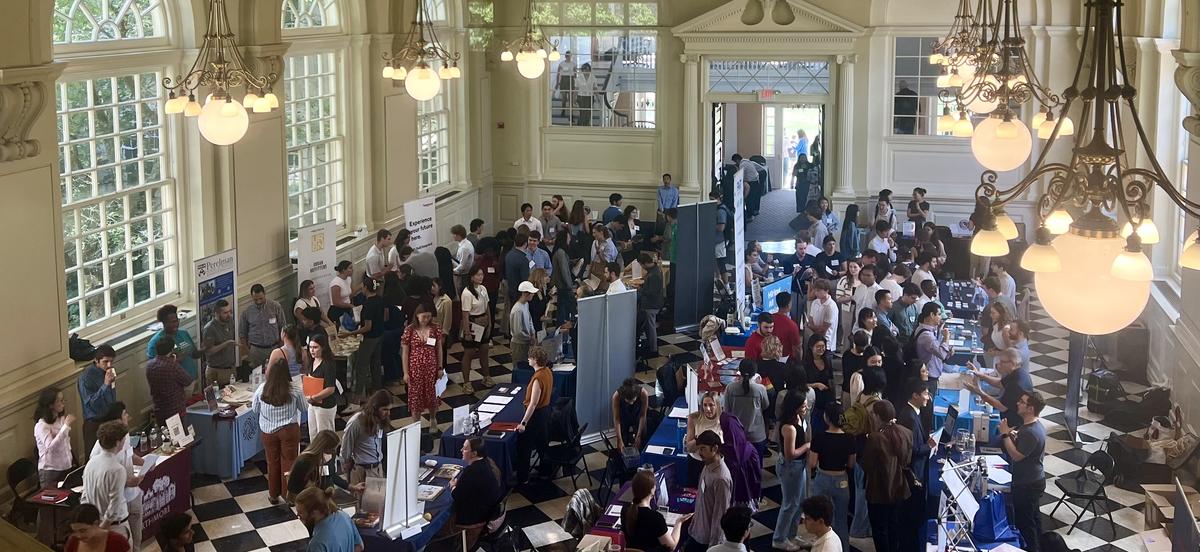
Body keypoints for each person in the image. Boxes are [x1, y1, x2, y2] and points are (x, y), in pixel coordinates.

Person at [430, 436, 505, 550]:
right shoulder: (488, 462)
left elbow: (456, 496)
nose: (461, 450)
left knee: (434, 526)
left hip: (473, 522)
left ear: (474, 453)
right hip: (487, 513)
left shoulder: (471, 472)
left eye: (465, 449)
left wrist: (453, 486)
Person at [860, 400, 912, 552]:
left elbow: (866, 465)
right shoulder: (906, 432)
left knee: (879, 528)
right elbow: (907, 460)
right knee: (893, 524)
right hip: (900, 487)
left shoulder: (875, 438)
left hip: (879, 490)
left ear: (877, 416)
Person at [252, 357, 305, 504]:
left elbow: (255, 409)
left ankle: (273, 495)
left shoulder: (262, 388)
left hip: (268, 431)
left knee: (272, 462)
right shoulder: (294, 389)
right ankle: (289, 496)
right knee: (289, 462)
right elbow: (304, 408)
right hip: (289, 431)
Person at [1001, 391, 1047, 552]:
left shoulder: (1030, 432)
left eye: (1022, 402)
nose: (1018, 403)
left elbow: (1016, 456)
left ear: (1030, 409)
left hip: (1027, 483)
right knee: (1033, 519)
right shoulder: (1030, 427)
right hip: (1032, 480)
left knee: (1025, 523)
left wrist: (1005, 435)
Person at [809, 401, 854, 551]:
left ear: (826, 418)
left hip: (823, 479)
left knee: (821, 521)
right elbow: (851, 464)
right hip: (842, 480)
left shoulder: (819, 437)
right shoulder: (849, 438)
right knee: (841, 521)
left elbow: (813, 463)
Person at [82, 421, 135, 544]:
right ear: (117, 443)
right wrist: (102, 528)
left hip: (95, 522)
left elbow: (85, 495)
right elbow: (114, 506)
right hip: (115, 527)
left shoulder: (91, 463)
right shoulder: (117, 469)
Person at [896, 379, 933, 551]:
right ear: (915, 395)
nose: (928, 397)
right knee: (911, 517)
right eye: (925, 394)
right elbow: (914, 449)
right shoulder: (909, 417)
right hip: (913, 474)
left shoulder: (912, 413)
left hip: (915, 470)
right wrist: (930, 447)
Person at [772, 391, 810, 551]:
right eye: (803, 406)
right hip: (791, 467)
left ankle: (792, 535)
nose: (806, 408)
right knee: (790, 503)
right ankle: (779, 538)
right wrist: (807, 446)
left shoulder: (800, 419)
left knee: (799, 502)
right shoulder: (789, 427)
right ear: (794, 408)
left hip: (799, 465)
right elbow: (790, 455)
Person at [617, 470, 689, 552]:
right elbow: (671, 547)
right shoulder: (655, 518)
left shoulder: (625, 509)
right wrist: (679, 522)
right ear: (652, 490)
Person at [686, 430, 732, 552]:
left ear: (715, 448)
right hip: (697, 529)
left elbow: (720, 514)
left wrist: (714, 546)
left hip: (706, 539)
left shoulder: (721, 479)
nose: (699, 453)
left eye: (703, 449)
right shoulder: (707, 464)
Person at [965, 347, 1034, 428]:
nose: (998, 365)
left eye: (1002, 362)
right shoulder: (1017, 371)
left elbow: (1001, 407)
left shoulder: (1017, 384)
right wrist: (981, 375)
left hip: (1012, 424)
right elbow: (1000, 383)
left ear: (1012, 363)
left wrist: (980, 392)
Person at [516, 347, 555, 483]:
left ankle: (522, 478)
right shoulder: (548, 371)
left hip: (537, 415)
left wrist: (523, 423)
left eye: (530, 357)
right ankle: (545, 471)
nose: (528, 359)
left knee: (524, 447)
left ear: (535, 360)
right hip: (545, 412)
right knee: (542, 444)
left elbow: (533, 404)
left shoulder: (538, 378)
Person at [403, 304, 444, 432]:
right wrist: (405, 372)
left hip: (431, 369)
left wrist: (440, 367)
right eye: (423, 317)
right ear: (417, 315)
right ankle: (416, 425)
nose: (426, 319)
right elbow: (405, 352)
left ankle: (433, 419)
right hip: (415, 370)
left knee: (432, 395)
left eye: (428, 317)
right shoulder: (409, 330)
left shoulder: (435, 328)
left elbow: (439, 349)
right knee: (415, 398)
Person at [34, 388, 75, 507]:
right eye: (60, 401)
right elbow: (51, 447)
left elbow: (65, 444)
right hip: (51, 471)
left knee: (65, 503)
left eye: (63, 400)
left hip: (65, 467)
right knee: (49, 508)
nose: (63, 403)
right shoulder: (41, 426)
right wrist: (66, 427)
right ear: (51, 405)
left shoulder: (60, 419)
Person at [345, 276, 384, 400]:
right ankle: (377, 390)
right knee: (376, 363)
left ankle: (357, 397)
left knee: (360, 366)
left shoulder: (367, 305)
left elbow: (367, 327)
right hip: (380, 335)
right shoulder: (379, 299)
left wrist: (351, 333)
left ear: (366, 288)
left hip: (369, 338)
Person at [341, 390, 391, 486]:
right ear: (375, 408)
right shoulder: (356, 422)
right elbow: (346, 445)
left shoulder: (380, 420)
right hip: (362, 472)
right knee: (362, 500)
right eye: (384, 409)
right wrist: (346, 467)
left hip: (378, 468)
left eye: (389, 409)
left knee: (380, 500)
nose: (388, 413)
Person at [724, 360, 769, 461]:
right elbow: (766, 406)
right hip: (757, 435)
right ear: (755, 373)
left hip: (736, 434)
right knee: (756, 466)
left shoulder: (730, 388)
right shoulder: (760, 389)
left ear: (740, 371)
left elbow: (727, 410)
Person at [295, 486, 364, 552]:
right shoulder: (343, 515)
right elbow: (359, 546)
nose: (297, 515)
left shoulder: (317, 543)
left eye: (300, 512)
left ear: (314, 512)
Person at [146, 305, 201, 384]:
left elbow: (194, 354)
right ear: (164, 323)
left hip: (192, 380)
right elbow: (154, 369)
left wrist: (204, 349)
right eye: (172, 322)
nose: (176, 324)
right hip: (174, 386)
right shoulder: (156, 342)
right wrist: (177, 360)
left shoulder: (183, 333)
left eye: (176, 321)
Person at [146, 336, 194, 424]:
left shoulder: (149, 365)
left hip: (159, 408)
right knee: (180, 435)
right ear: (172, 350)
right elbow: (188, 380)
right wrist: (175, 361)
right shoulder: (171, 365)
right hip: (175, 409)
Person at [460, 266, 494, 391]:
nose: (481, 277)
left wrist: (490, 323)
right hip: (473, 323)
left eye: (482, 274)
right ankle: (466, 382)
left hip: (484, 322)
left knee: (484, 351)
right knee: (469, 353)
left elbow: (487, 307)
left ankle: (486, 376)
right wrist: (467, 332)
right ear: (472, 277)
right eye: (478, 275)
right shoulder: (467, 293)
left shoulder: (483, 289)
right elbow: (465, 314)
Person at [79, 345, 117, 450]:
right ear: (96, 360)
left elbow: (112, 397)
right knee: (93, 456)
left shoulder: (108, 372)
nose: (109, 365)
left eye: (111, 361)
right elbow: (91, 403)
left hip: (109, 419)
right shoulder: (86, 377)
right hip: (94, 423)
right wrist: (105, 385)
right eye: (105, 362)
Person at [239, 284, 286, 369]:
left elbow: (283, 327)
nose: (258, 302)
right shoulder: (247, 311)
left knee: (275, 373)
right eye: (255, 299)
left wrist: (281, 347)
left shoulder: (275, 307)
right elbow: (242, 334)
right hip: (256, 350)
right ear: (252, 297)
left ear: (265, 294)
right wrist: (247, 351)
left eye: (261, 298)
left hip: (274, 347)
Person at [304, 336, 341, 441]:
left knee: (325, 437)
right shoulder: (311, 361)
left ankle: (328, 457)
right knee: (313, 434)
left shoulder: (328, 364)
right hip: (312, 404)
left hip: (325, 406)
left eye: (315, 347)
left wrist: (314, 397)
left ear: (323, 348)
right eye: (310, 347)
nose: (312, 350)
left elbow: (330, 389)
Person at [685, 392, 724, 487]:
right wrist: (701, 438)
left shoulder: (723, 419)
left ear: (717, 405)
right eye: (705, 405)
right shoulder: (694, 418)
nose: (708, 409)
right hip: (696, 462)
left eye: (711, 405)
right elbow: (689, 448)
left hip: (715, 464)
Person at [914, 302, 953, 391]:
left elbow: (938, 350)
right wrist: (947, 337)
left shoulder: (931, 331)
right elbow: (941, 354)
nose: (940, 318)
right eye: (939, 314)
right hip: (928, 377)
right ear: (932, 315)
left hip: (931, 375)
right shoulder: (926, 335)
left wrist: (948, 350)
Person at [201, 300, 238, 387]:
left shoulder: (230, 321)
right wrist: (226, 344)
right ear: (216, 313)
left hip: (230, 368)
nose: (229, 315)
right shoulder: (209, 329)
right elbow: (208, 351)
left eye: (230, 311)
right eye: (225, 313)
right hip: (216, 371)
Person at [64, 504, 131, 552]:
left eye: (83, 530)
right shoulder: (73, 541)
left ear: (96, 523)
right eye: (75, 531)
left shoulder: (117, 542)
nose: (79, 536)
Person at [804, 335, 835, 434]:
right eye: (818, 346)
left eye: (823, 346)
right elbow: (802, 384)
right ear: (811, 347)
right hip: (812, 399)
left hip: (826, 398)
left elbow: (831, 379)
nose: (821, 349)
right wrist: (816, 385)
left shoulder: (827, 360)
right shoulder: (805, 364)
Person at [612, 378, 650, 451]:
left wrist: (638, 436)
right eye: (628, 401)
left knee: (642, 438)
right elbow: (616, 419)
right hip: (624, 416)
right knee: (621, 442)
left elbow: (643, 415)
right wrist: (619, 439)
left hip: (638, 415)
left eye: (633, 400)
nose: (631, 403)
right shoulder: (616, 396)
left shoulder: (643, 393)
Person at [637, 253, 664, 356]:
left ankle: (653, 348)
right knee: (649, 326)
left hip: (652, 305)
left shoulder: (655, 274)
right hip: (650, 303)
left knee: (651, 327)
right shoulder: (653, 271)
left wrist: (641, 289)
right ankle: (651, 345)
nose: (642, 267)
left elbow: (653, 292)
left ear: (645, 263)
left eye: (641, 265)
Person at [551, 231, 577, 324]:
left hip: (560, 285)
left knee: (561, 308)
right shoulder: (561, 253)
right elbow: (564, 270)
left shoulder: (558, 251)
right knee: (571, 307)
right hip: (564, 285)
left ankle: (560, 325)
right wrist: (570, 285)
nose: (569, 240)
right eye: (568, 238)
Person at [509, 280, 537, 367]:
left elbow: (529, 320)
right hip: (519, 344)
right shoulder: (517, 309)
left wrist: (533, 333)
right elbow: (518, 332)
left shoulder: (526, 304)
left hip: (526, 342)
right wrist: (529, 338)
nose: (533, 295)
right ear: (525, 293)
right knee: (519, 367)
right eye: (531, 293)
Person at [504, 227, 533, 305]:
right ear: (525, 244)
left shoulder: (509, 254)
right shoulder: (523, 260)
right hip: (520, 292)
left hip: (511, 288)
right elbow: (525, 279)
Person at [807, 278, 838, 346]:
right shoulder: (815, 302)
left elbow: (823, 329)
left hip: (826, 343)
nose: (816, 293)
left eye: (818, 291)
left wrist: (811, 327)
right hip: (814, 340)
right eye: (815, 291)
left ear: (827, 290)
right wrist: (811, 326)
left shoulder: (830, 306)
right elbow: (810, 319)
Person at [771, 292, 802, 358]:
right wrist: (799, 362)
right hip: (786, 358)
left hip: (770, 356)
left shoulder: (769, 319)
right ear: (788, 305)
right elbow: (797, 348)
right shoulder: (792, 325)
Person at [982, 301, 1013, 367]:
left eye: (993, 313)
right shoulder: (996, 324)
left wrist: (997, 353)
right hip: (997, 359)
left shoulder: (1005, 330)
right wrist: (995, 348)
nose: (990, 315)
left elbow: (1012, 351)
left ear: (1001, 314)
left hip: (1005, 362)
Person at [451, 224, 476, 291]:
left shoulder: (464, 248)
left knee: (463, 292)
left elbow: (462, 266)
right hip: (465, 273)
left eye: (453, 234)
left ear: (458, 235)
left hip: (464, 276)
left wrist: (452, 271)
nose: (452, 236)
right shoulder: (467, 243)